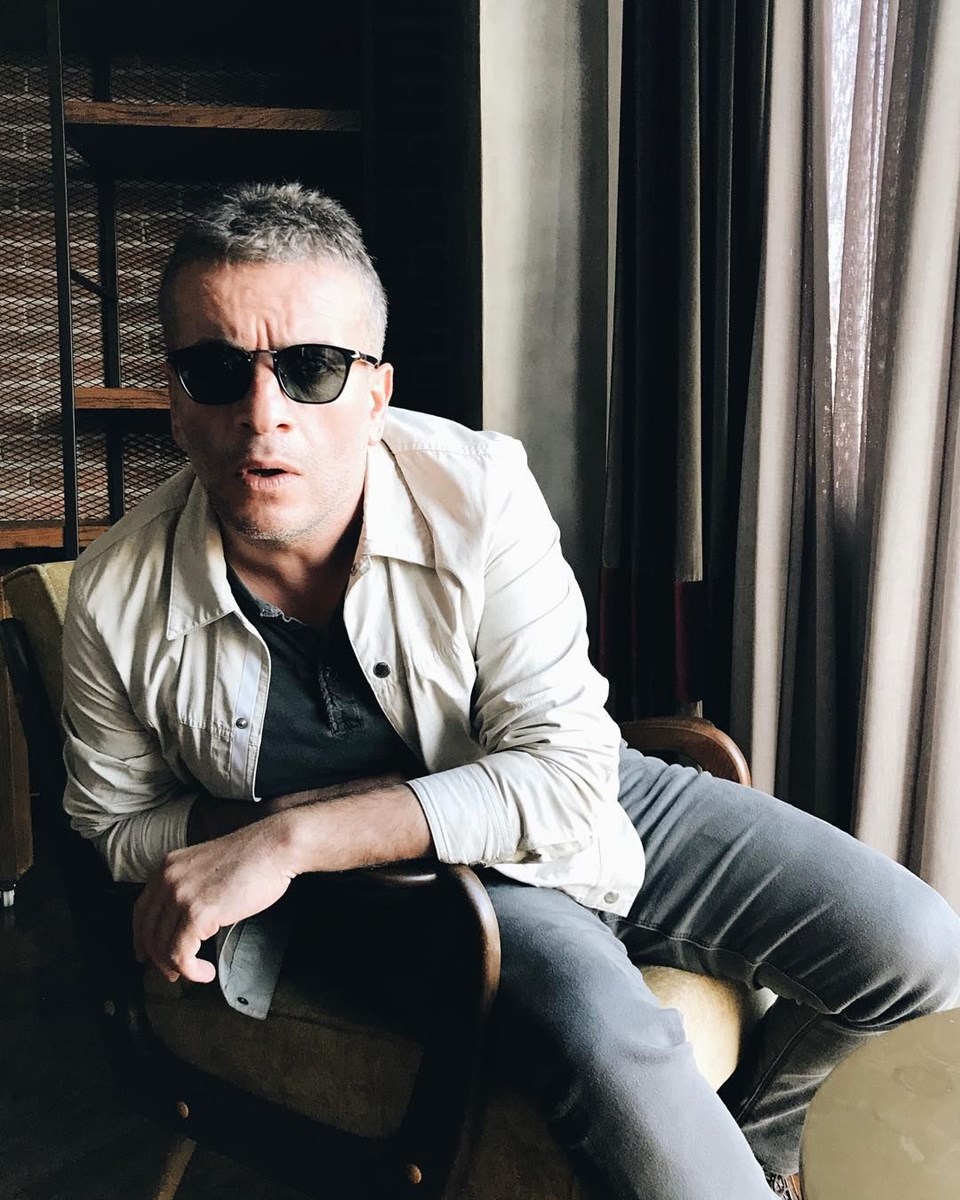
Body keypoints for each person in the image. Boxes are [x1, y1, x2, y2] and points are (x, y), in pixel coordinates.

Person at [61, 182, 960, 1200]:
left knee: (915, 952)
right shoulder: (115, 595)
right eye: (218, 370)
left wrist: (287, 836)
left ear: (375, 393)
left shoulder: (480, 489)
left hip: (559, 782)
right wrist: (260, 839)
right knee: (598, 1023)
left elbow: (564, 770)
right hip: (412, 896)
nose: (263, 415)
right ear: (175, 397)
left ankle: (753, 1154)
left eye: (312, 369)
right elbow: (113, 823)